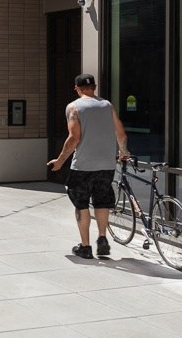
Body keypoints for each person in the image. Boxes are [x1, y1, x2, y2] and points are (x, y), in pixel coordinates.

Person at [47, 73, 129, 259]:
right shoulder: (107, 105)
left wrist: (60, 161)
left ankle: (85, 247)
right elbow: (121, 134)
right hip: (107, 165)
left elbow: (73, 138)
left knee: (81, 204)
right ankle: (102, 239)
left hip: (83, 166)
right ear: (95, 87)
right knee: (101, 201)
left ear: (76, 88)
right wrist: (123, 151)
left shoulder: (74, 107)